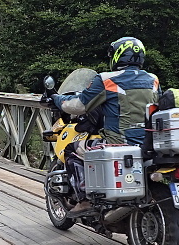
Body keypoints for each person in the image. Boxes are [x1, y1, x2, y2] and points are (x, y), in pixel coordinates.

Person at [50, 36, 161, 218]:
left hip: (118, 143)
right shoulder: (153, 80)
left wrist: (57, 98)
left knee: (72, 149)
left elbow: (78, 105)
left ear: (117, 56)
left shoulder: (106, 79)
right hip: (149, 144)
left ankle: (84, 200)